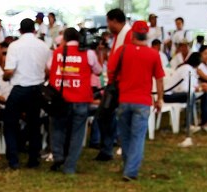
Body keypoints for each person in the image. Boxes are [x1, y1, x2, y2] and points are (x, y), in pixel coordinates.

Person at [108, 20, 164, 181]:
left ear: (132, 33)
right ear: (146, 35)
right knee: (137, 137)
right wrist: (160, 99)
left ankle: (128, 165)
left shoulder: (121, 50)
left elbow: (111, 70)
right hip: (143, 101)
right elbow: (159, 79)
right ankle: (130, 171)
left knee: (124, 135)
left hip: (123, 98)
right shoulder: (154, 54)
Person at [48, 27, 101, 174]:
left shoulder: (57, 52)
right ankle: (70, 166)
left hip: (61, 98)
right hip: (80, 99)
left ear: (64, 38)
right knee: (77, 134)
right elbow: (98, 71)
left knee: (58, 128)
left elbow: (48, 67)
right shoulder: (88, 53)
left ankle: (58, 156)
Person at [2, 18, 51, 169]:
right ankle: (33, 160)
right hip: (36, 89)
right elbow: (47, 70)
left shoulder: (15, 46)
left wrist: (5, 76)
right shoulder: (43, 46)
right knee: (34, 125)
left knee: (10, 123)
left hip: (19, 88)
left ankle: (13, 160)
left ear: (20, 30)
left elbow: (9, 71)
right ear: (34, 30)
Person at [96, 8, 131, 162]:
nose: (107, 25)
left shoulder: (128, 35)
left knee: (104, 114)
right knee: (105, 115)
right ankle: (108, 147)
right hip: (114, 82)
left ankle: (108, 148)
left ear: (114, 21)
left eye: (108, 22)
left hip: (119, 83)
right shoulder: (119, 35)